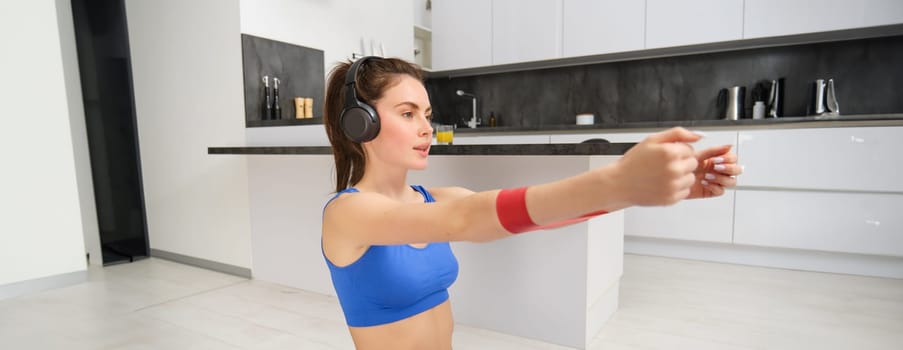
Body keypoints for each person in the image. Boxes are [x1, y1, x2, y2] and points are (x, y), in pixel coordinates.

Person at [321, 56, 742, 350]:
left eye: (427, 114)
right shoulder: (348, 214)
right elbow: (468, 220)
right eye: (408, 113)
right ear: (362, 122)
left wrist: (633, 192)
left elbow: (534, 218)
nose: (426, 128)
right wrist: (616, 178)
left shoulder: (431, 200)